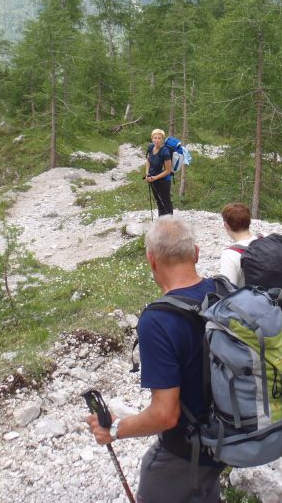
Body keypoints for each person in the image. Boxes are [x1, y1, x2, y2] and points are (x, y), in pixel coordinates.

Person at [88, 216, 224, 503]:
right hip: (227, 437)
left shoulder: (158, 320)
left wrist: (114, 429)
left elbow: (165, 415)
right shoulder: (222, 293)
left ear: (152, 261)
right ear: (196, 253)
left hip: (185, 452)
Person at [218, 202, 258, 287]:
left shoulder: (230, 254)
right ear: (249, 222)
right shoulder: (264, 238)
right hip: (277, 296)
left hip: (252, 299)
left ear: (226, 225)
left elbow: (228, 291)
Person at [144, 128, 174, 216]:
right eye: (155, 138)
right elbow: (148, 160)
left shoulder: (165, 152)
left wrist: (154, 178)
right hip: (153, 179)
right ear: (152, 138)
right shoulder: (150, 147)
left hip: (164, 181)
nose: (157, 140)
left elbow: (168, 170)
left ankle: (169, 224)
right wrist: (147, 174)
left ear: (162, 139)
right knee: (158, 201)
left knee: (166, 202)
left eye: (159, 138)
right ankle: (161, 222)